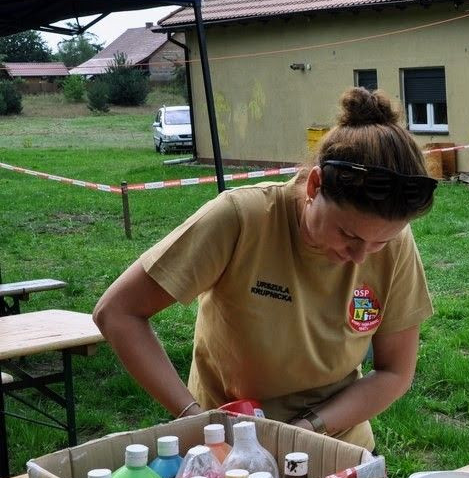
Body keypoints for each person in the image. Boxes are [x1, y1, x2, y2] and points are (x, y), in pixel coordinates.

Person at [93, 88, 437, 451]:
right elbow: (118, 312)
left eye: (380, 242)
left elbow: (394, 372)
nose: (361, 257)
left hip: (335, 444)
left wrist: (308, 428)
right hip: (230, 449)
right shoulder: (241, 220)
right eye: (348, 235)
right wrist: (197, 421)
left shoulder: (394, 241)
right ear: (315, 185)